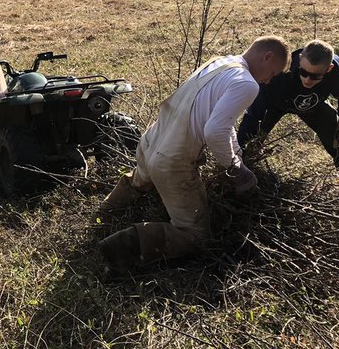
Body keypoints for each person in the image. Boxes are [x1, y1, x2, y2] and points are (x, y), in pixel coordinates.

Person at [97, 36, 291, 270]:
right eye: (273, 73)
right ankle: (116, 250)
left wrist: (238, 156)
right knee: (196, 235)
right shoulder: (247, 84)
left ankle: (102, 215)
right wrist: (235, 169)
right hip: (172, 162)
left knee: (139, 181)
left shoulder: (219, 63)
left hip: (150, 143)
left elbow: (223, 123)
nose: (269, 80)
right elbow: (215, 131)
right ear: (267, 57)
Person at [237, 39, 339, 174]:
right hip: (274, 104)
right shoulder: (281, 72)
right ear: (300, 59)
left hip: (312, 105)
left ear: (329, 69)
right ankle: (237, 170)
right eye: (304, 72)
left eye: (315, 76)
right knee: (249, 140)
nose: (308, 80)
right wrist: (240, 151)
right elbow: (256, 112)